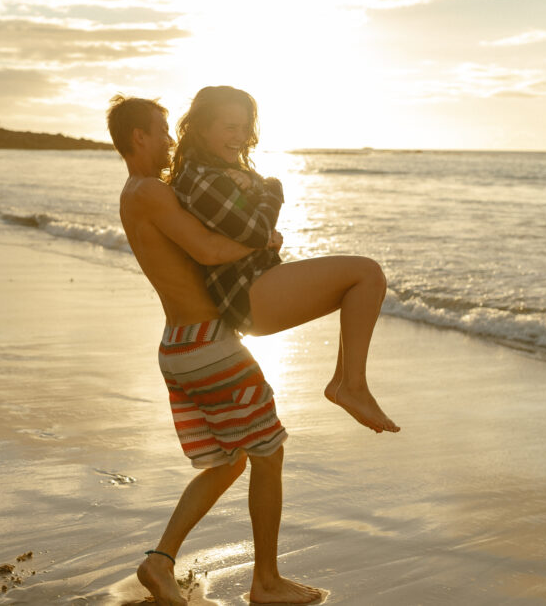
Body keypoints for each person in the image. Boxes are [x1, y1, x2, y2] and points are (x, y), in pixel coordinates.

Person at [108, 95, 323, 605]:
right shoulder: (151, 192)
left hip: (179, 346)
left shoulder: (130, 194)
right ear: (139, 136)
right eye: (161, 131)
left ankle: (159, 563)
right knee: (268, 455)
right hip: (207, 345)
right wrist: (264, 240)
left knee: (227, 462)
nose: (168, 140)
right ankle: (266, 583)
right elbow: (207, 249)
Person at [171, 85, 400, 434]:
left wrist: (259, 188)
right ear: (202, 128)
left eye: (244, 127)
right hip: (247, 295)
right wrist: (267, 191)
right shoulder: (200, 178)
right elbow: (258, 229)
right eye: (229, 127)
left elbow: (263, 210)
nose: (240, 136)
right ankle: (351, 387)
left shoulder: (217, 170)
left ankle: (344, 383)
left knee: (366, 282)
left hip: (256, 288)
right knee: (366, 273)